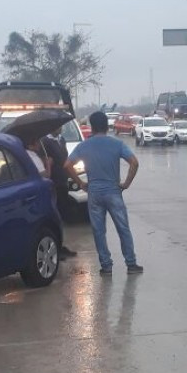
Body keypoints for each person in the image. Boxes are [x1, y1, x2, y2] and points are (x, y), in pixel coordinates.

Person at [65, 111, 143, 275]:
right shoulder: (117, 144)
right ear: (107, 125)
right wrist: (126, 183)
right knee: (123, 228)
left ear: (92, 127)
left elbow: (67, 165)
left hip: (94, 192)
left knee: (99, 230)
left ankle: (106, 266)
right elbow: (134, 163)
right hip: (113, 191)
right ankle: (131, 264)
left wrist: (81, 183)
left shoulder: (84, 146)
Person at [41, 128, 77, 258]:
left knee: (62, 215)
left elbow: (65, 159)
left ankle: (60, 245)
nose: (61, 128)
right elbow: (45, 161)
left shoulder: (61, 140)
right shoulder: (45, 141)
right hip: (52, 183)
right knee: (54, 217)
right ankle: (55, 248)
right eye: (58, 126)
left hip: (63, 182)